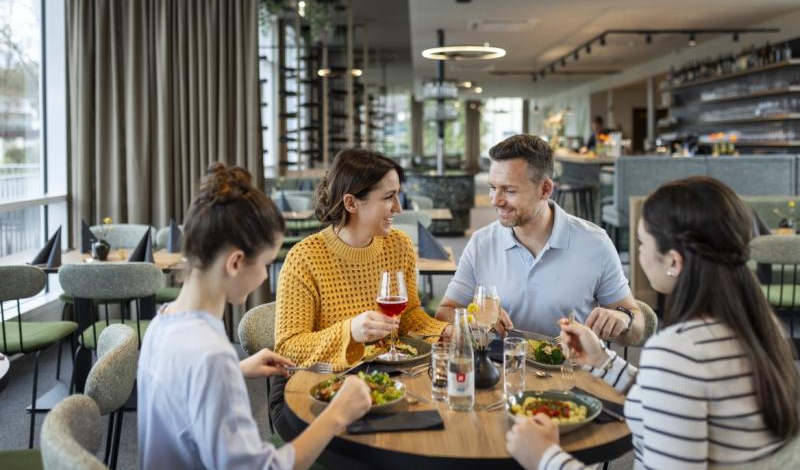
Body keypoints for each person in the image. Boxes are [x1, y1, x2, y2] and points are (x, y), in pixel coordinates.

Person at [506, 176, 800, 469]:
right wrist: (603, 361)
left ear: (673, 261)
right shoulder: (762, 328)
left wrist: (545, 457)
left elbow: (675, 379)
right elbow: (676, 396)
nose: (640, 253)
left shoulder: (679, 351)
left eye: (642, 242)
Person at [138, 163, 372, 470]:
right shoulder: (212, 355)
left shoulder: (162, 322)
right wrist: (337, 414)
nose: (264, 277)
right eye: (265, 264)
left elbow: (182, 394)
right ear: (235, 262)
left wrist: (236, 370)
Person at [271, 148, 450, 437]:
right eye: (388, 197)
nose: (398, 208)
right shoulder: (304, 258)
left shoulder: (399, 245)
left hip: (377, 377)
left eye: (397, 195)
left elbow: (409, 316)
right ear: (351, 203)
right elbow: (288, 348)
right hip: (312, 384)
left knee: (432, 423)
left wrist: (443, 331)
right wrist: (351, 331)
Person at [436, 134, 643, 345]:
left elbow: (636, 329)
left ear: (545, 189)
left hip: (571, 365)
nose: (495, 200)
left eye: (509, 190)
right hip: (501, 364)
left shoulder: (595, 243)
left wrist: (623, 318)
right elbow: (445, 312)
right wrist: (474, 318)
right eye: (492, 187)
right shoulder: (481, 243)